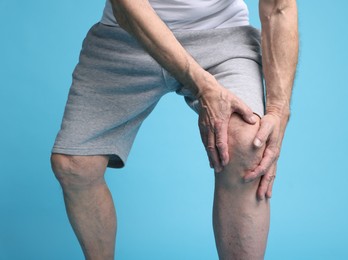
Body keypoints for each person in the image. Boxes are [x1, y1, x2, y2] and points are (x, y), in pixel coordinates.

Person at [50, 0, 298, 259]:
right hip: (128, 32)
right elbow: (127, 7)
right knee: (74, 165)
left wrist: (279, 110)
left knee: (249, 144)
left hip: (221, 35)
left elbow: (279, 6)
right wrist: (203, 86)